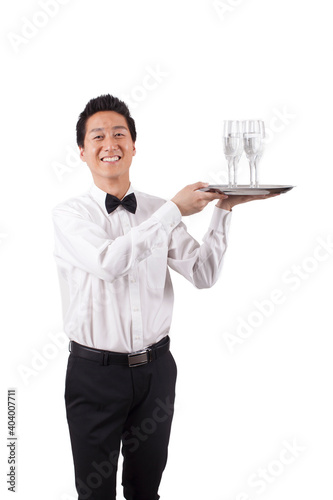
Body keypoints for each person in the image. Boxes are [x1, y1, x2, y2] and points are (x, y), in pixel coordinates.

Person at [52, 94, 280, 500]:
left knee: (146, 492)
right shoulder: (71, 216)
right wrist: (174, 210)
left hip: (156, 372)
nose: (110, 144)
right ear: (83, 152)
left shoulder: (158, 210)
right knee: (94, 494)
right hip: (94, 376)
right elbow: (108, 262)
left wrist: (224, 210)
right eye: (99, 136)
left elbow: (204, 273)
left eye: (119, 134)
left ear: (134, 146)